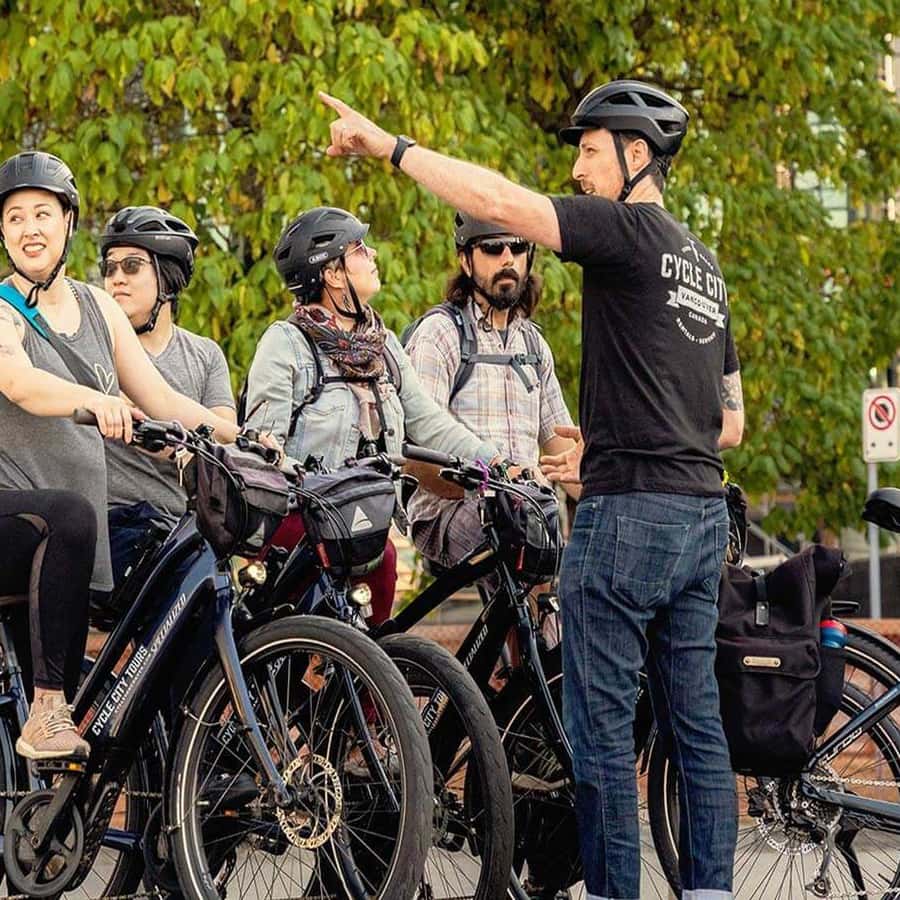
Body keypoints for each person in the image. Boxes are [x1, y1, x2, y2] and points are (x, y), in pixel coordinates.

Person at [318, 80, 744, 900]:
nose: (579, 170)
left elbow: (502, 202)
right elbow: (729, 423)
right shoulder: (703, 264)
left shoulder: (627, 231)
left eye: (589, 151)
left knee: (604, 741)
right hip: (698, 515)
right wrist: (627, 438)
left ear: (635, 155)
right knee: (697, 730)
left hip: (628, 520)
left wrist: (390, 146)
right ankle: (710, 892)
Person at [0, 151, 262, 759]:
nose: (29, 229)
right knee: (70, 515)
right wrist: (93, 399)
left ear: (69, 223)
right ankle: (46, 713)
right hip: (20, 526)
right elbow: (18, 382)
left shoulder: (99, 309)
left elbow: (164, 397)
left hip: (68, 545)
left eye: (43, 213)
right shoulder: (3, 311)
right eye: (14, 219)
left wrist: (241, 438)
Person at [243, 206, 499, 623]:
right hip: (300, 526)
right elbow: (261, 451)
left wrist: (495, 461)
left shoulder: (385, 348)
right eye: (361, 248)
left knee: (381, 586)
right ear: (333, 273)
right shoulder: (286, 343)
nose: (375, 254)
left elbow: (431, 424)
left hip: (363, 528)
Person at [404, 210, 576, 573]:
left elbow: (564, 451)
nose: (507, 259)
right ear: (466, 261)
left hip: (528, 511)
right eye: (493, 248)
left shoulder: (533, 344)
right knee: (520, 529)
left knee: (572, 557)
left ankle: (543, 630)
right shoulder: (441, 334)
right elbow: (417, 453)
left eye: (517, 247)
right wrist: (490, 485)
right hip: (448, 510)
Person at [99, 206, 236, 588]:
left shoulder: (206, 355)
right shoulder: (98, 348)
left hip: (188, 528)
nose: (116, 279)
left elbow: (221, 433)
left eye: (131, 266)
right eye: (109, 268)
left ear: (168, 276)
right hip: (120, 523)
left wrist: (252, 443)